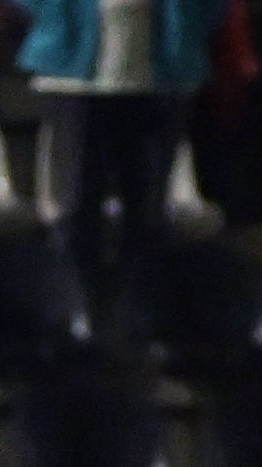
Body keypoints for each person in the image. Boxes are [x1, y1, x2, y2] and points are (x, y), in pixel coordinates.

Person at [27, 0, 211, 332]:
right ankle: (76, 321)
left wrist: (189, 28)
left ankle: (143, 323)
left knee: (147, 215)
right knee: (76, 212)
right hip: (74, 83)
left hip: (159, 82)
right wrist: (59, 18)